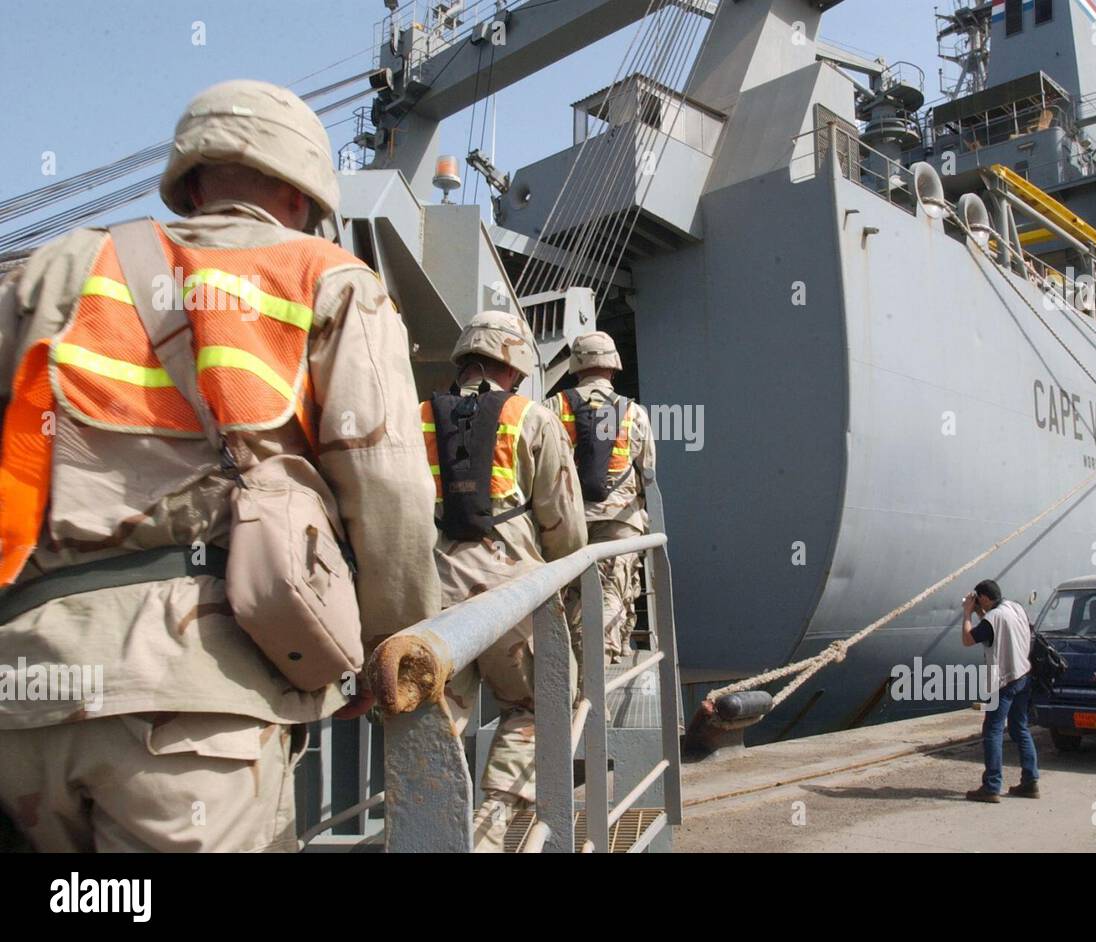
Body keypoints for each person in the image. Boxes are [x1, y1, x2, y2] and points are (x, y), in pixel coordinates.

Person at [0, 80, 440, 851]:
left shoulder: (55, 270)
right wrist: (390, 652)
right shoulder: (325, 276)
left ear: (192, 180)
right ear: (302, 196)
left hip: (23, 696)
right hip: (195, 705)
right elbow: (390, 485)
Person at [416, 311, 586, 851]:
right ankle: (493, 826)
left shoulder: (415, 416)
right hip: (512, 594)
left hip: (432, 596)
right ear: (513, 363)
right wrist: (570, 585)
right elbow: (563, 523)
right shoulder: (532, 417)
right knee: (540, 704)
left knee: (435, 715)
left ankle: (431, 832)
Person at [546, 332, 656, 664]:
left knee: (571, 596)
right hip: (620, 520)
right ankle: (597, 680)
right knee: (612, 593)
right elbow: (647, 467)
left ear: (576, 365)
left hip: (568, 519)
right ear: (613, 365)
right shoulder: (632, 412)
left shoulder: (554, 406)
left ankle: (575, 672)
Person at [961, 578, 1040, 802]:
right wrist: (980, 612)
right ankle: (1030, 782)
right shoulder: (1015, 607)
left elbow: (968, 639)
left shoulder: (993, 617)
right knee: (1020, 729)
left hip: (1004, 681)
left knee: (992, 732)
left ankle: (992, 786)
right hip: (1023, 676)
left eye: (978, 600)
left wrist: (967, 613)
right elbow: (995, 632)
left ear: (984, 598)